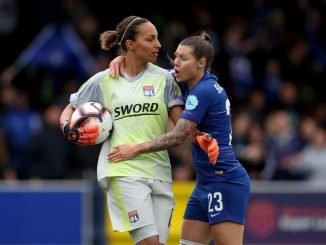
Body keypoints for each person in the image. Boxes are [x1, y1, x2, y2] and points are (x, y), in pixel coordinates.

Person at [60, 15, 204, 245]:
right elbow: (70, 108)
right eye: (150, 39)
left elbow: (181, 129)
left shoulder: (165, 79)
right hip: (123, 170)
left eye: (157, 38)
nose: (158, 44)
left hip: (159, 171)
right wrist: (69, 128)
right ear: (130, 44)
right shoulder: (103, 80)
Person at [108, 31, 250, 245]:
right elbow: (148, 72)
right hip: (204, 183)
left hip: (225, 180)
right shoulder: (185, 79)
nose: (176, 62)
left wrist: (136, 148)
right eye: (175, 56)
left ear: (201, 63)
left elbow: (179, 135)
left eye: (183, 58)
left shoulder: (204, 91)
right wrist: (124, 59)